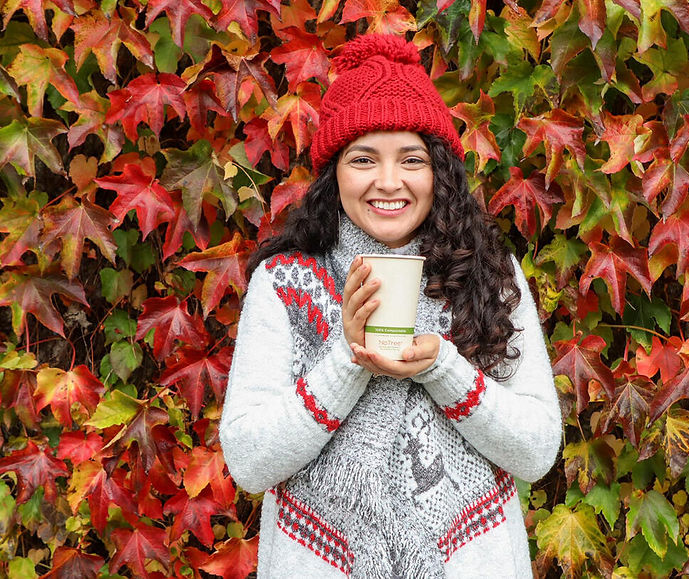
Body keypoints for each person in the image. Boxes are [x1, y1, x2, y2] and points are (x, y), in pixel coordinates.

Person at [219, 33, 562, 579]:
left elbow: (537, 451)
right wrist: (346, 361)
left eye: (411, 159)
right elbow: (249, 463)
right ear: (334, 173)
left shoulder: (487, 275)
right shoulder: (285, 284)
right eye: (363, 158)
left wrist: (445, 369)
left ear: (439, 171)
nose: (388, 182)